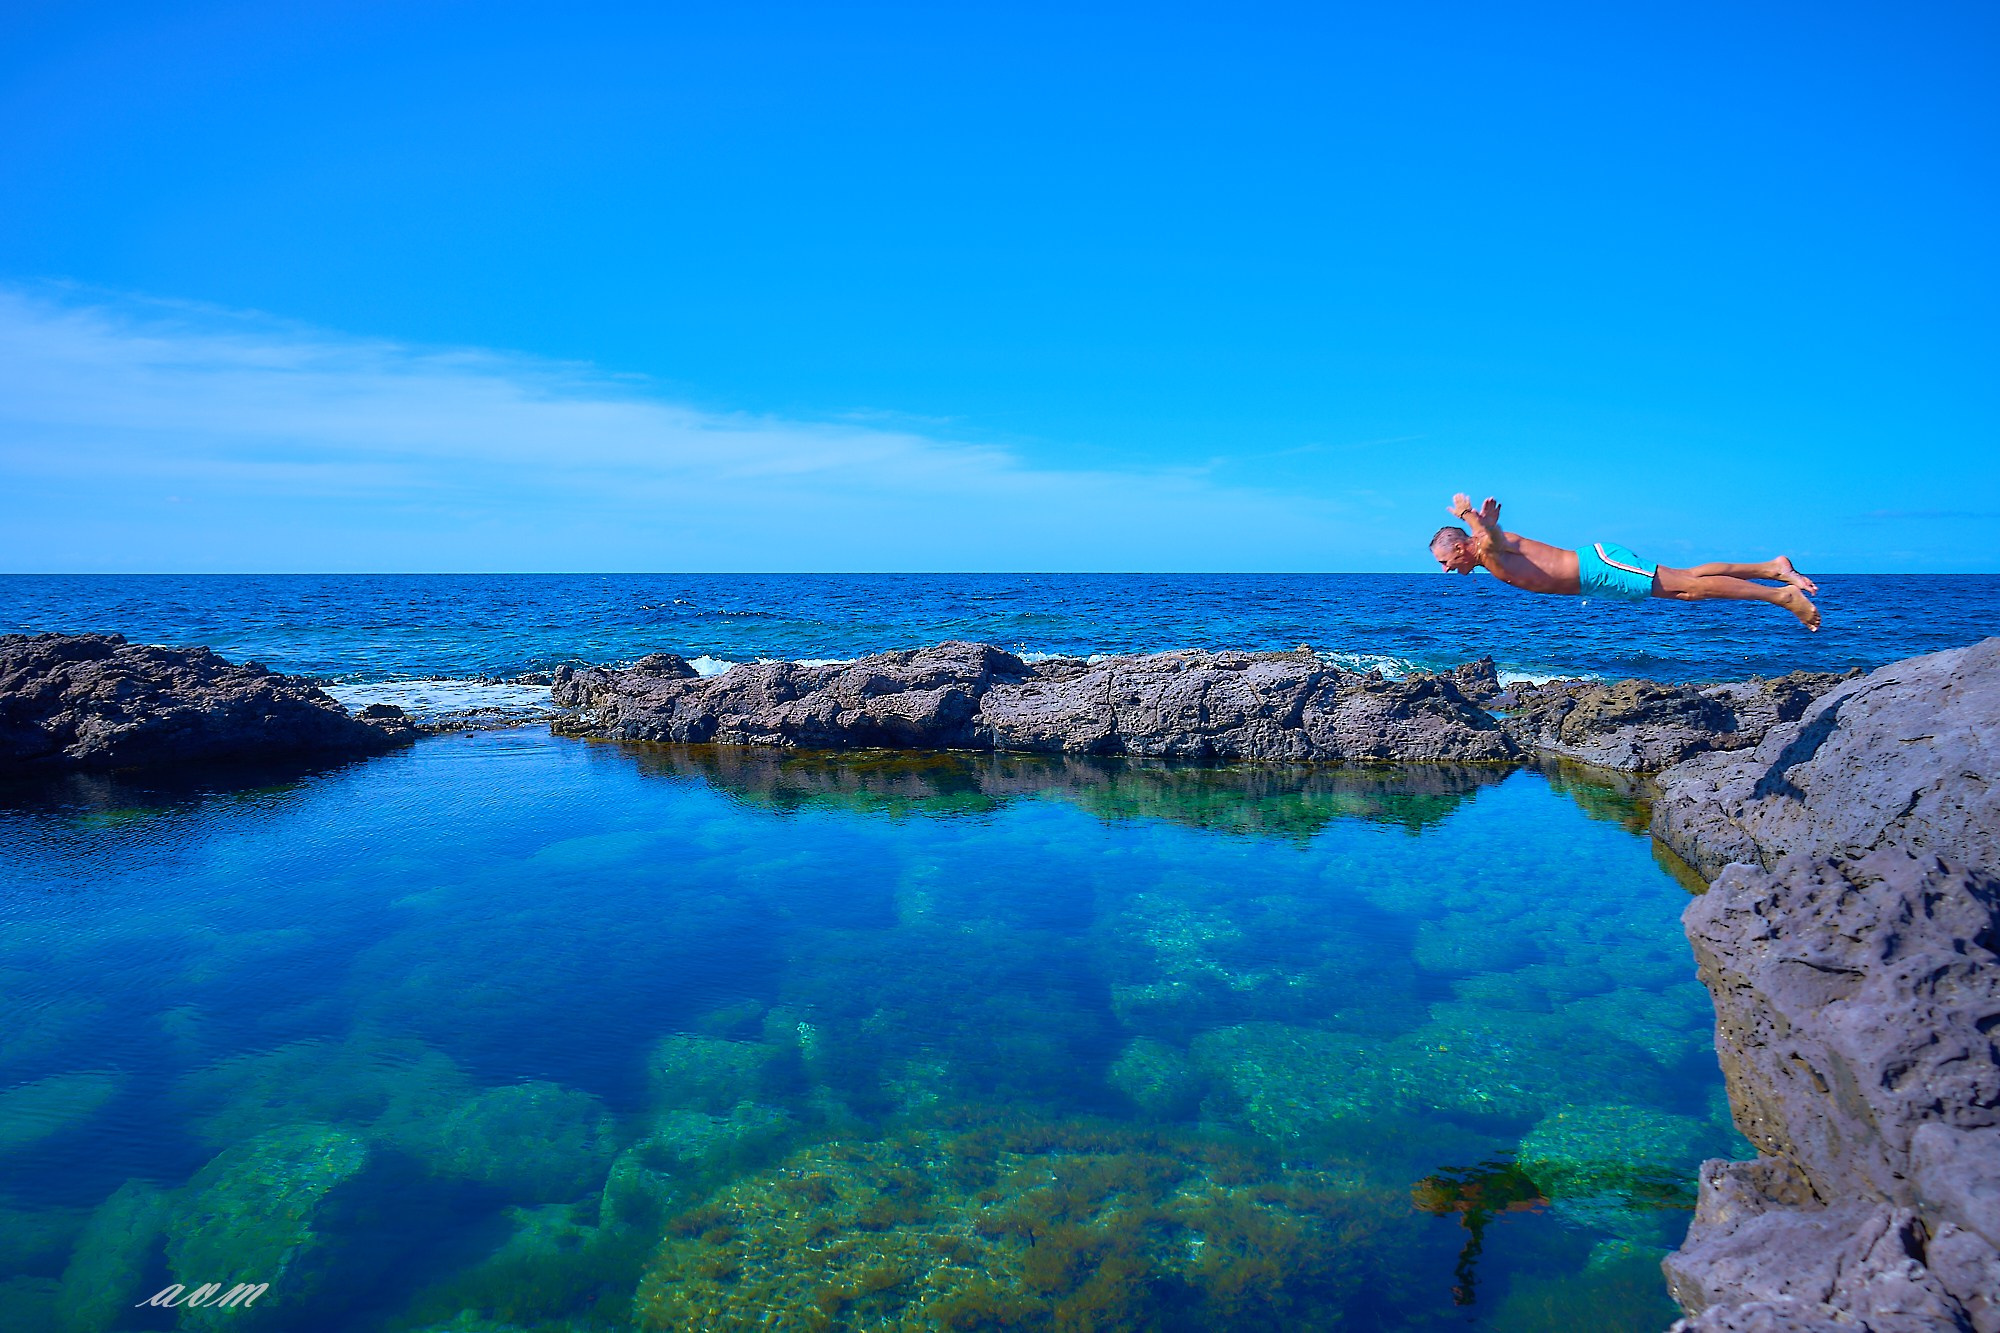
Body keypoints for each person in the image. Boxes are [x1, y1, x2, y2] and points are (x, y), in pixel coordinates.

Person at [1429, 493, 1820, 630]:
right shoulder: (1484, 551)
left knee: (1688, 590)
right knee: (1687, 578)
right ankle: (1770, 568)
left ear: (1461, 547)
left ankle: (1781, 597)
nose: (1447, 570)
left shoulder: (1486, 546)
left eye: (1446, 561)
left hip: (1598, 569)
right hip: (1597, 571)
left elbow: (1496, 539)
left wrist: (1472, 517)